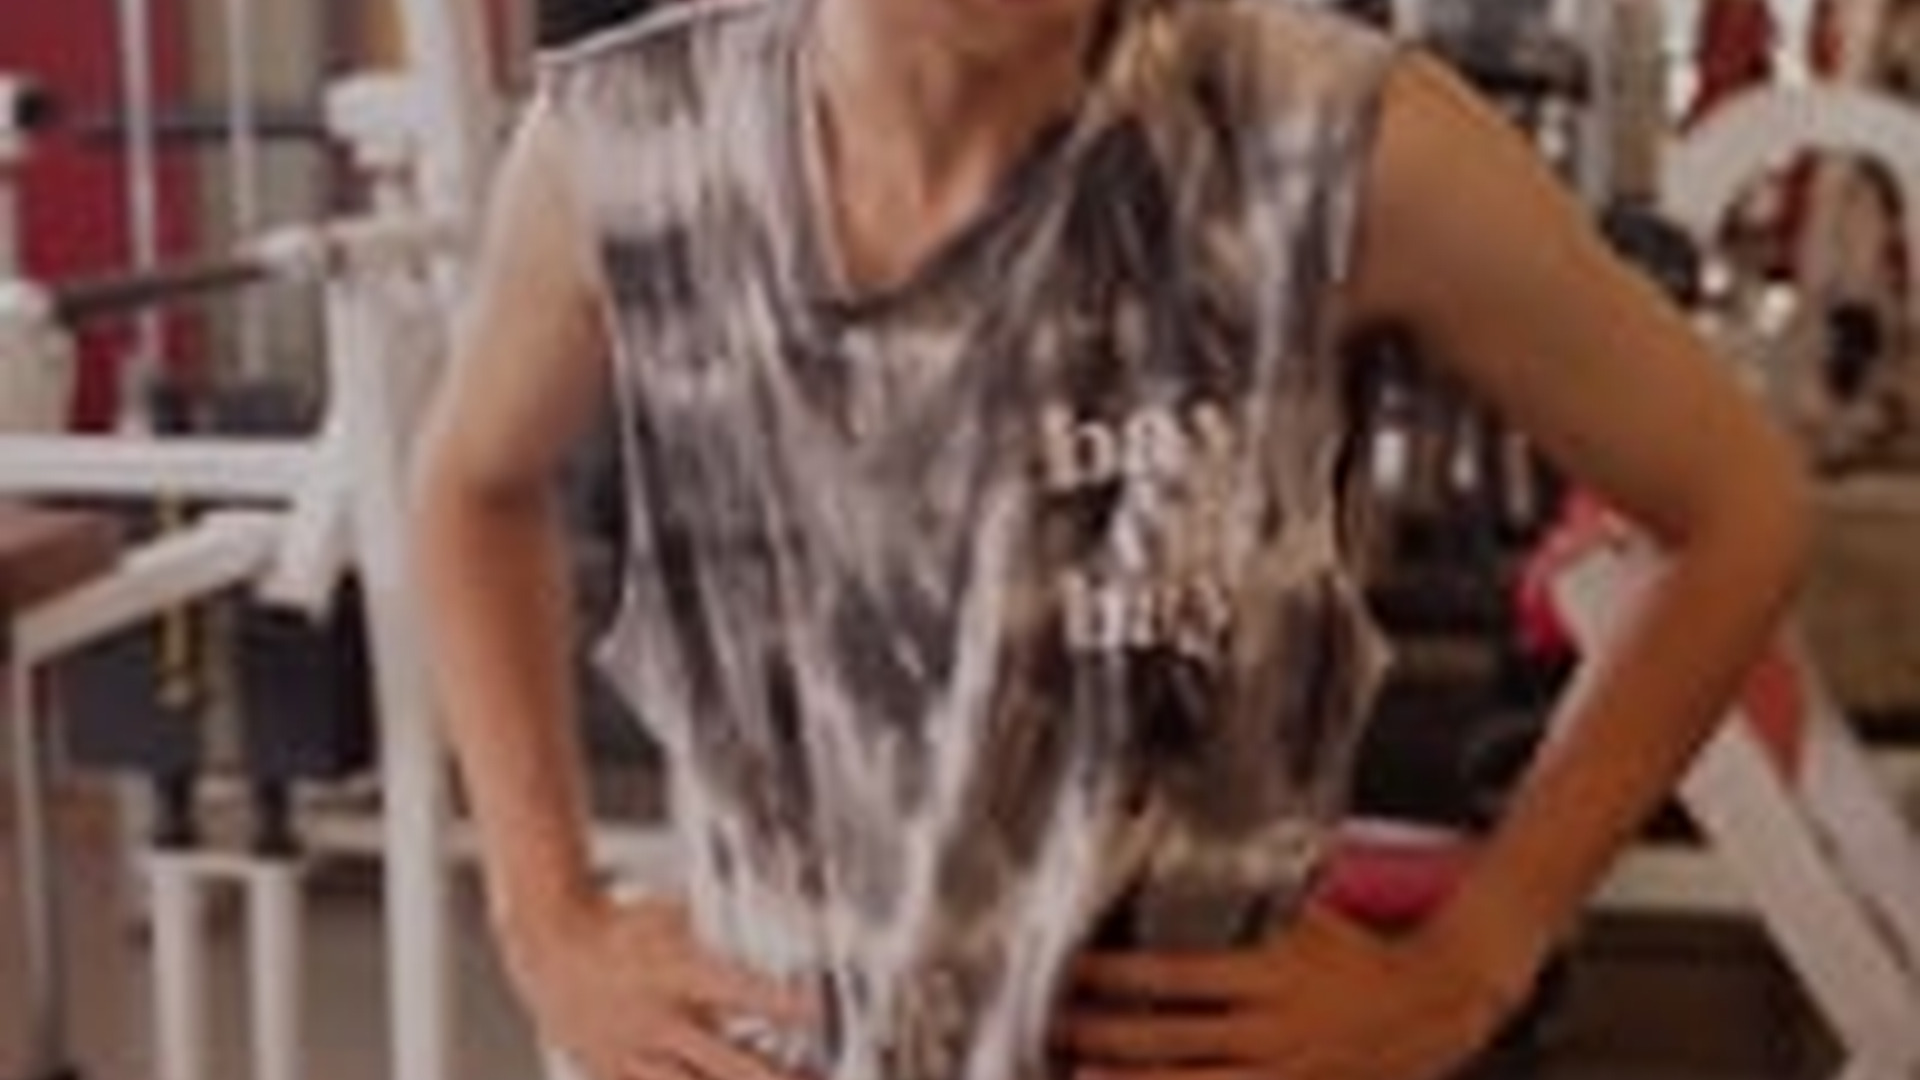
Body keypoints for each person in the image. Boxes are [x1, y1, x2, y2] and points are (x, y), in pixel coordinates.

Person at [410, 0, 1810, 1077]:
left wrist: (1476, 959)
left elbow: (1738, 506)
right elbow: (472, 488)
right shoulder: (627, 148)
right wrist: (547, 919)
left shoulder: (1332, 143)